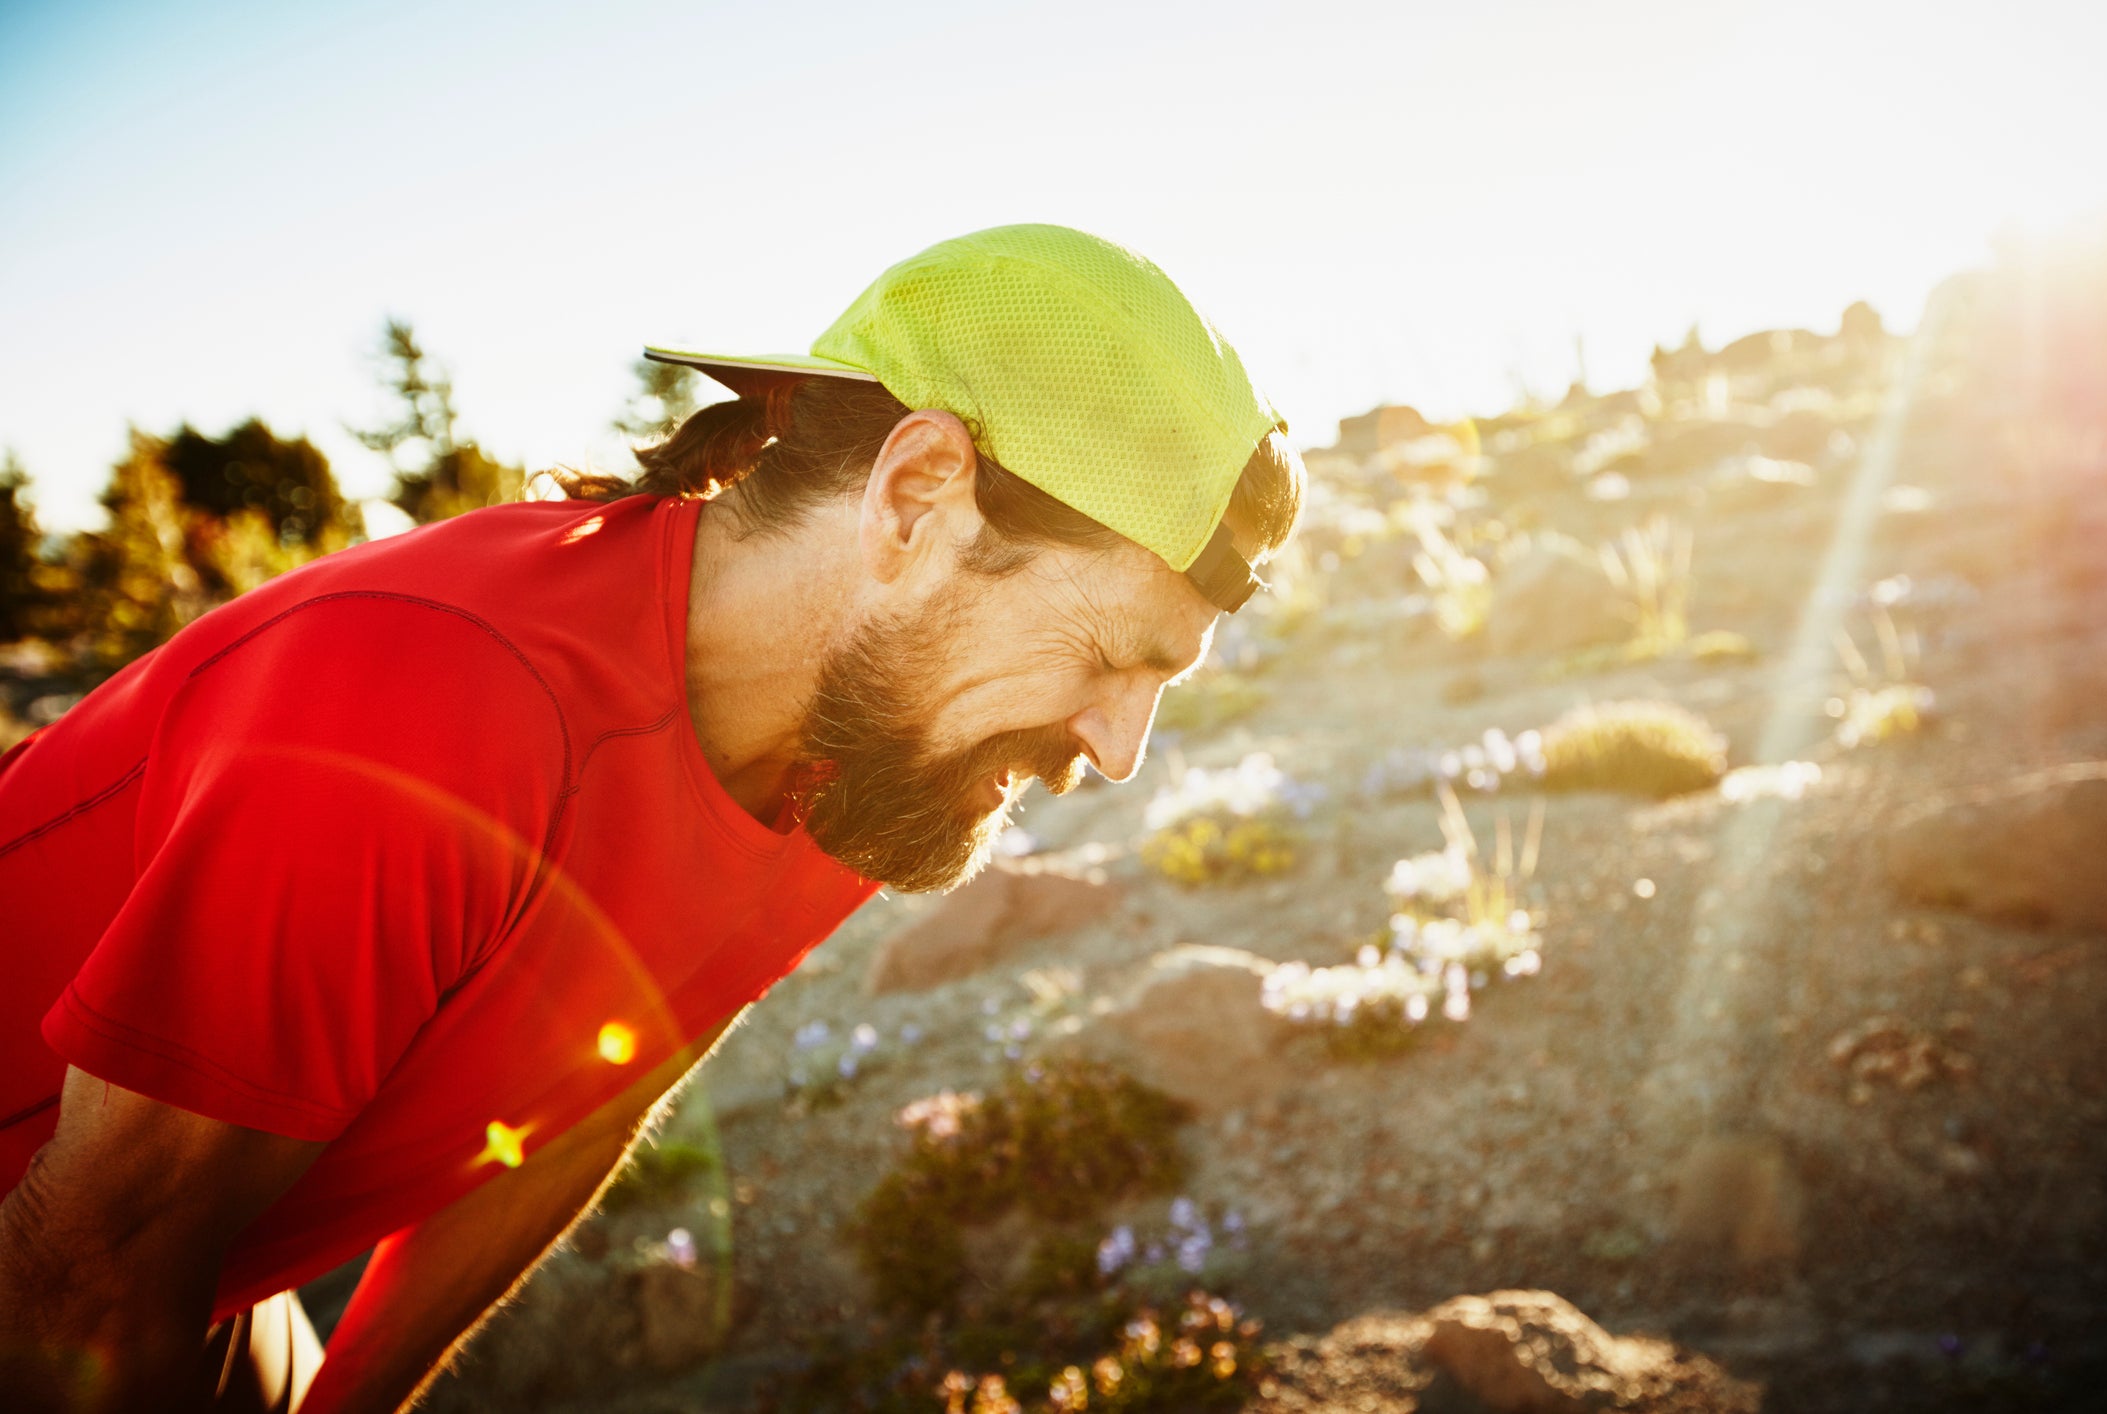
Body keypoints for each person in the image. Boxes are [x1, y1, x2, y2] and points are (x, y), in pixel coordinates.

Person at [0, 224, 1305, 1412]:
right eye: (1108, 652)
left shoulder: (866, 755)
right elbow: (80, 1277)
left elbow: (576, 1097)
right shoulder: (431, 702)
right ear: (914, 497)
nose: (1120, 751)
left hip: (182, 1285)